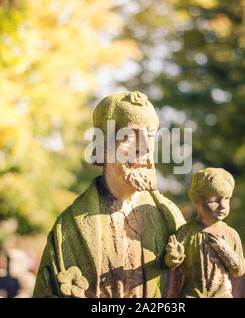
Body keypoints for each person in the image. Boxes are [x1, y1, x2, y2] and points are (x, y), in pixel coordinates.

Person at [33, 91, 185, 298]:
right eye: (131, 137)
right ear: (102, 147)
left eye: (150, 136)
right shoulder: (68, 227)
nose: (145, 148)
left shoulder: (170, 219)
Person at [165, 168, 245, 297]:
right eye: (214, 200)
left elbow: (239, 270)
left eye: (227, 198)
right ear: (197, 200)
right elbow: (171, 265)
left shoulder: (231, 234)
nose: (223, 205)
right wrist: (174, 257)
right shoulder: (186, 232)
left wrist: (226, 252)